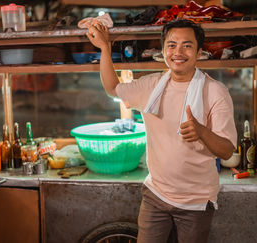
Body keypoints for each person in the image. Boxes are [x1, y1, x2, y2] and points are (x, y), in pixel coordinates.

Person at [86, 19, 237, 243]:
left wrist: (202, 132)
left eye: (187, 45)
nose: (178, 52)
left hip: (196, 201)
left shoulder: (215, 92)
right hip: (155, 194)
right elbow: (112, 89)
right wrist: (105, 49)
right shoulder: (152, 86)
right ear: (163, 50)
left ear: (199, 52)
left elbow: (226, 150)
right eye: (172, 45)